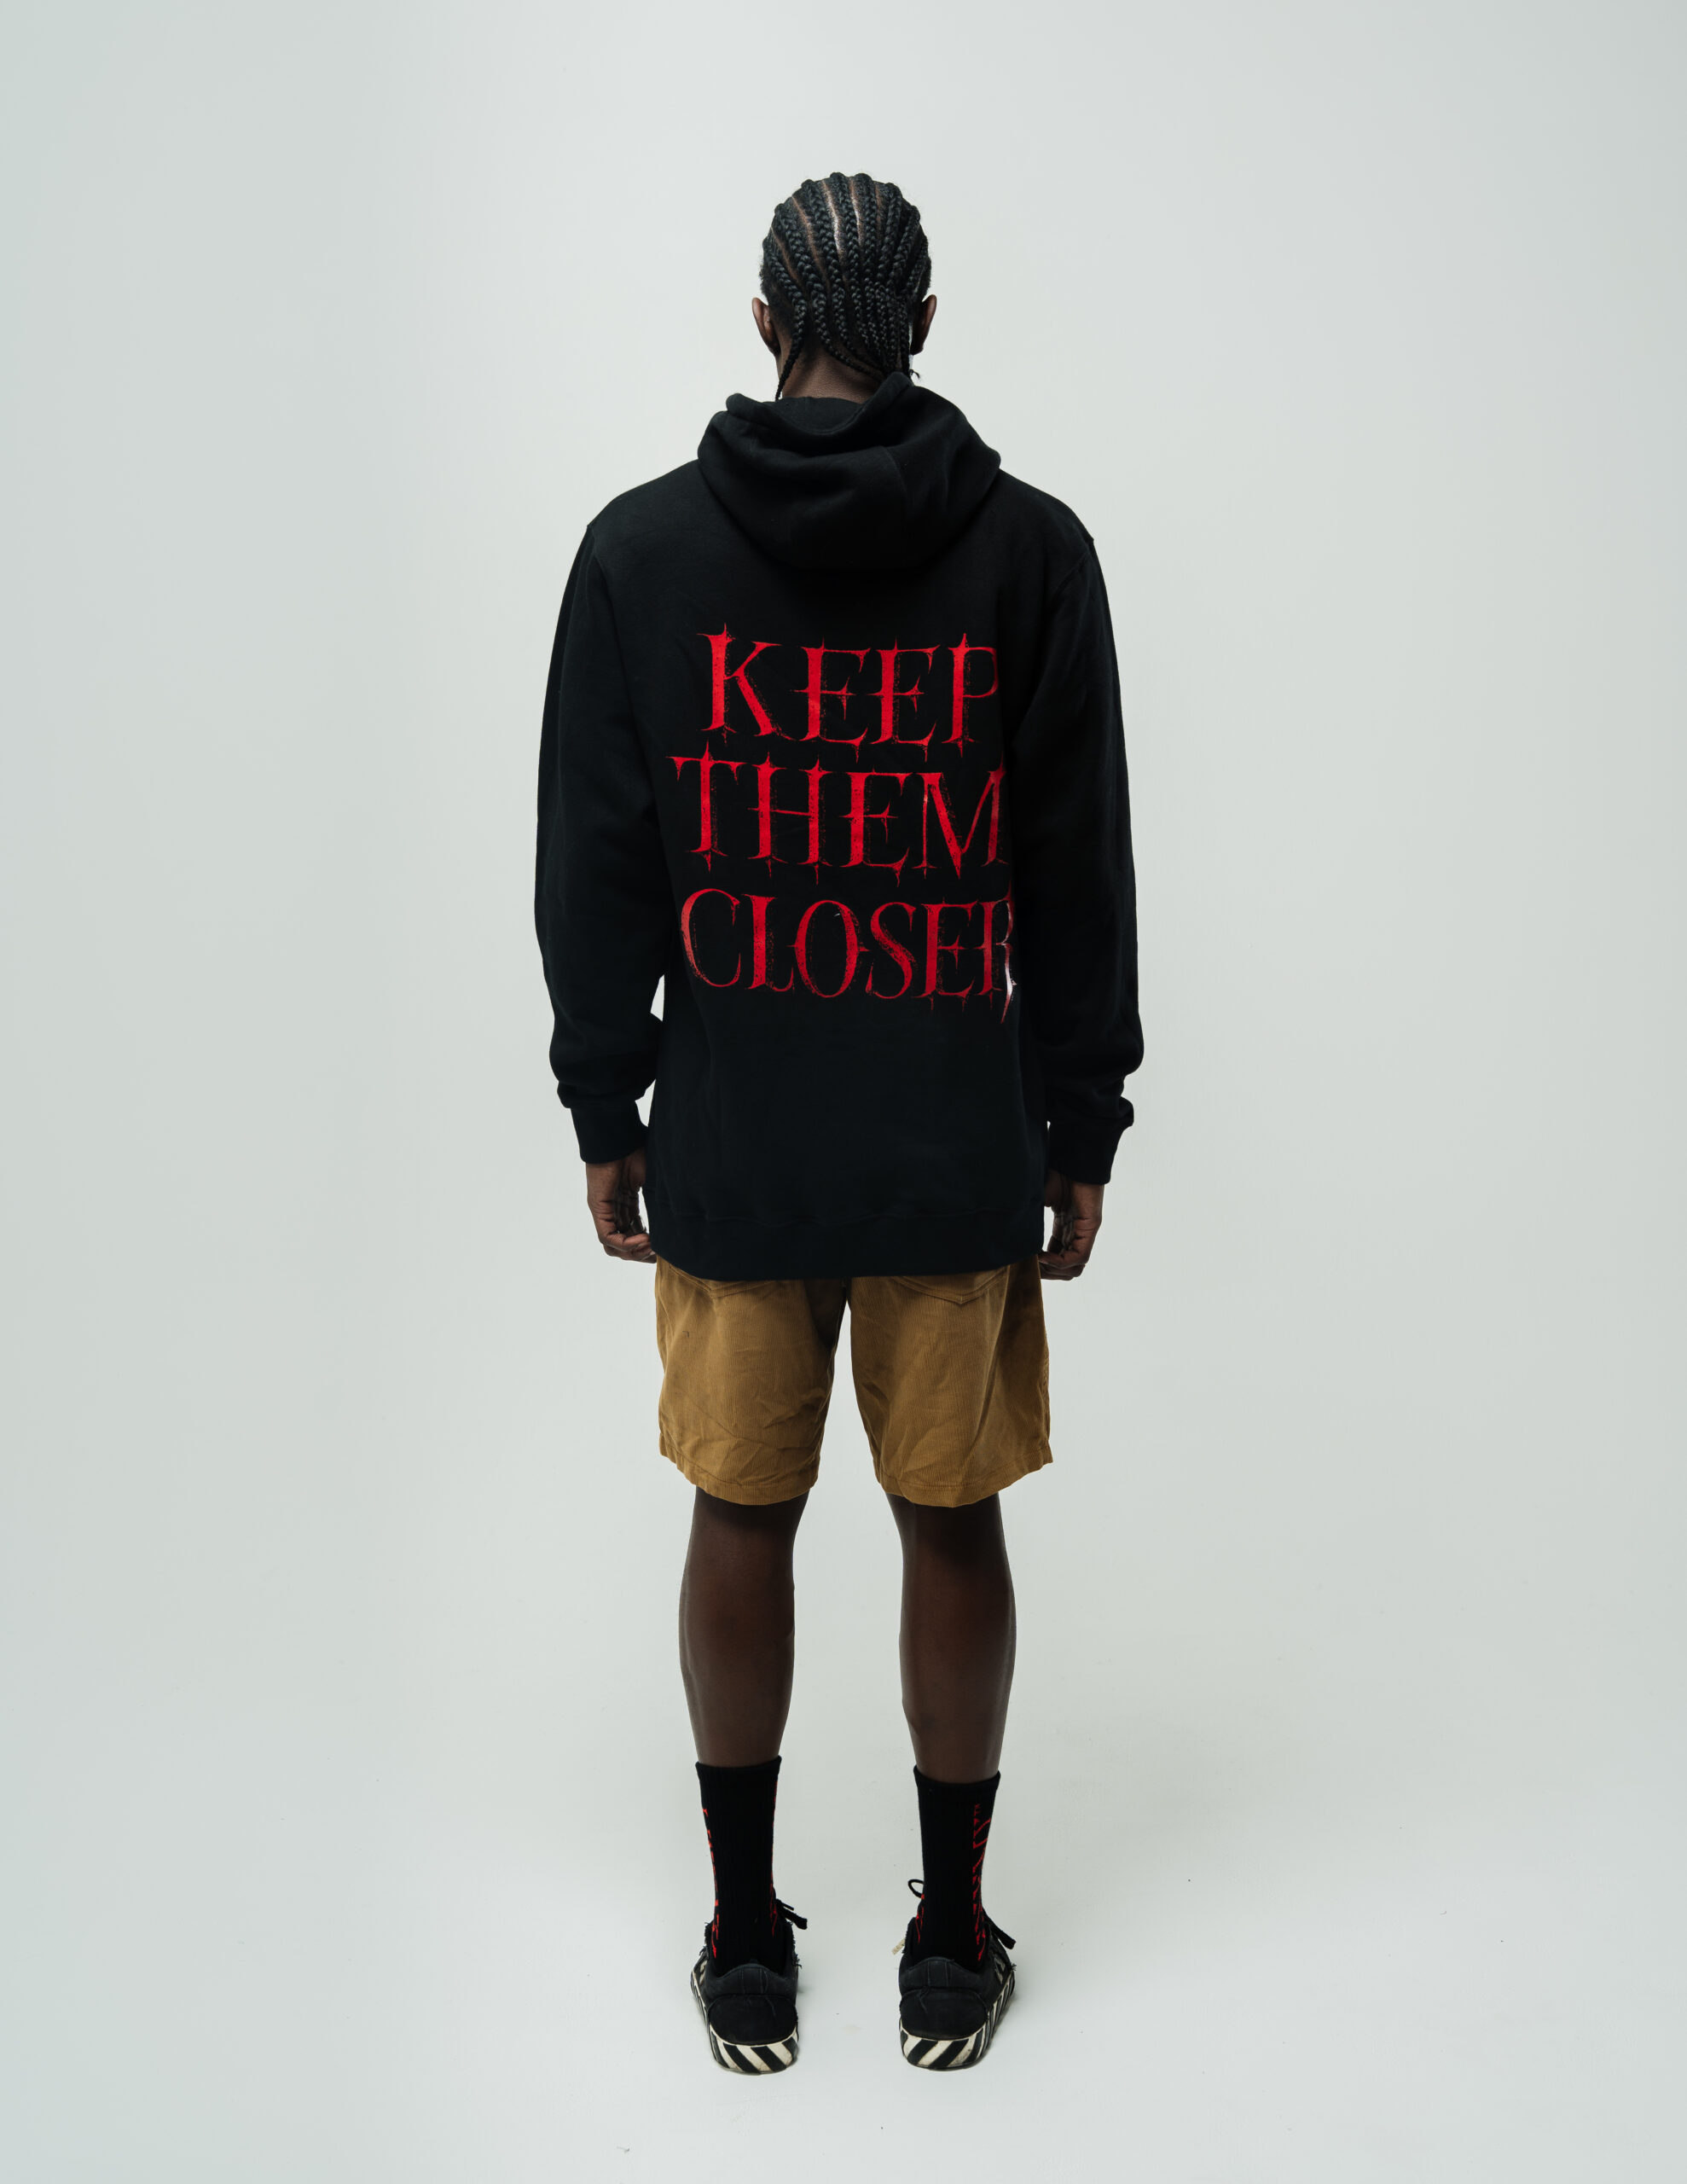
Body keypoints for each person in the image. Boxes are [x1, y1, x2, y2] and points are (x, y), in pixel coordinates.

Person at [535, 171, 1140, 2074]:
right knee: (947, 1516)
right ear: (923, 328)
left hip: (733, 1137)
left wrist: (604, 1096)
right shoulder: (1030, 554)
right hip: (951, 1142)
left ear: (761, 321)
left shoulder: (639, 555)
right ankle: (949, 1936)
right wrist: (1082, 1122)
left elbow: (594, 860)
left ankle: (740, 1934)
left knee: (741, 1506)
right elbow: (1077, 870)